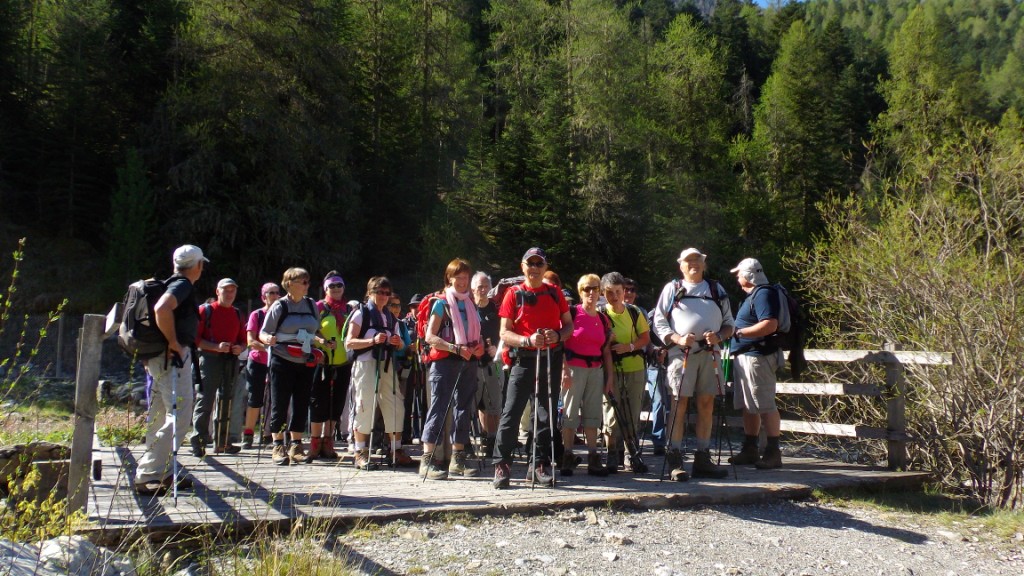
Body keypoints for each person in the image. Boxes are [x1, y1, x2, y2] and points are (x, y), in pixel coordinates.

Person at [494, 247, 573, 489]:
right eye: (531, 263)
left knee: (545, 411)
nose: (535, 268)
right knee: (512, 411)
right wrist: (526, 340)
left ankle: (538, 464)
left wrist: (557, 336)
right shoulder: (513, 294)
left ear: (545, 268)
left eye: (539, 264)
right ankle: (502, 465)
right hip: (523, 358)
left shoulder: (554, 292)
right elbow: (504, 332)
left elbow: (569, 326)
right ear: (523, 267)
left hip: (550, 357)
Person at [653, 248, 734, 481]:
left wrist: (719, 336)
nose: (693, 264)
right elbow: (659, 320)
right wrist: (677, 338)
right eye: (689, 261)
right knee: (679, 403)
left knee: (707, 403)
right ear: (681, 265)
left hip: (710, 352)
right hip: (682, 354)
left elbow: (730, 323)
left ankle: (702, 457)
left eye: (697, 260)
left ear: (704, 264)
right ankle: (675, 459)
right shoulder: (673, 288)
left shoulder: (716, 289)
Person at [133, 244, 206, 495]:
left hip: (160, 359)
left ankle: (162, 470)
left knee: (161, 414)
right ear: (197, 266)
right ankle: (149, 472)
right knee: (181, 416)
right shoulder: (182, 285)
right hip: (172, 359)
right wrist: (174, 342)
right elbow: (162, 309)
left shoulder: (169, 282)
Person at [420, 259, 484, 479]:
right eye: (458, 277)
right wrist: (455, 349)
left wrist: (479, 346)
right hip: (445, 362)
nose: (462, 281)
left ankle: (458, 458)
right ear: (449, 278)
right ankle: (428, 460)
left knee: (464, 408)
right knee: (439, 406)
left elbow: (477, 334)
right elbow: (430, 337)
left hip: (467, 362)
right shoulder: (441, 303)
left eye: (466, 277)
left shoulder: (470, 303)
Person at [261, 267, 328, 465]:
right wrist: (268, 339)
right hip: (282, 359)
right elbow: (263, 333)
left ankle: (296, 445)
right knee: (280, 402)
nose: (307, 285)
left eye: (308, 281)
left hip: (305, 360)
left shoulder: (310, 305)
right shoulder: (279, 306)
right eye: (303, 282)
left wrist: (322, 343)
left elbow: (314, 331)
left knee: (301, 401)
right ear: (289, 283)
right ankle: (278, 445)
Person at [345, 276, 411, 470]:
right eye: (378, 292)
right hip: (366, 364)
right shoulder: (360, 314)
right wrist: (372, 341)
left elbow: (402, 344)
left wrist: (398, 343)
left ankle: (395, 450)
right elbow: (349, 342)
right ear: (369, 293)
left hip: (387, 364)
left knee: (395, 403)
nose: (383, 296)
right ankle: (360, 452)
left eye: (386, 293)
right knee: (364, 404)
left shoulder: (391, 317)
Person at [728, 258, 784, 469]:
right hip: (748, 356)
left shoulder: (763, 294)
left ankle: (773, 452)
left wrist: (740, 332)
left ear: (749, 275)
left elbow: (770, 324)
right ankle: (750, 449)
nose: (736, 277)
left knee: (764, 403)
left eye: (739, 273)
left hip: (758, 357)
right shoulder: (755, 295)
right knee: (749, 405)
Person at [560, 274, 612, 477]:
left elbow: (605, 350)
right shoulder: (572, 314)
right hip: (573, 368)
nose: (591, 293)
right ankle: (567, 455)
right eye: (586, 289)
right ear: (580, 292)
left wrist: (609, 379)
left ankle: (594, 458)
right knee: (570, 414)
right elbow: (560, 345)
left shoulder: (602, 319)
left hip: (595, 369)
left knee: (593, 415)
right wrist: (564, 370)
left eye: (595, 288)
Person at [600, 272, 651, 473]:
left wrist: (628, 346)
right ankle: (612, 453)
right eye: (610, 292)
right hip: (610, 368)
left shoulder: (634, 312)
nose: (614, 296)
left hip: (634, 367)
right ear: (603, 293)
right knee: (611, 411)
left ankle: (632, 454)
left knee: (632, 411)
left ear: (624, 291)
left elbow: (645, 338)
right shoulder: (601, 314)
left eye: (618, 292)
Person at [190, 278, 246, 456]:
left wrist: (240, 348)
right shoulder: (205, 310)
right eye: (225, 290)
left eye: (232, 291)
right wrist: (215, 347)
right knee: (205, 400)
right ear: (217, 292)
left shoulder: (237, 313)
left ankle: (222, 442)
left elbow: (243, 340)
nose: (229, 294)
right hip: (209, 359)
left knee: (226, 400)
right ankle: (198, 442)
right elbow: (194, 339)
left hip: (230, 361)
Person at [311, 272, 354, 460]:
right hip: (322, 361)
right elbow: (307, 331)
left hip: (343, 362)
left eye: (339, 285)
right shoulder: (319, 307)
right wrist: (322, 340)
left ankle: (328, 441)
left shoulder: (349, 309)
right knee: (318, 401)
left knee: (337, 403)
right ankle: (314, 442)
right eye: (332, 286)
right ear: (325, 288)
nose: (336, 289)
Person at [241, 282, 280, 449]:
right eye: (270, 293)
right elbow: (250, 340)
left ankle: (268, 434)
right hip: (258, 361)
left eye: (277, 292)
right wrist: (267, 348)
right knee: (255, 398)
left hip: (276, 362)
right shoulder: (257, 315)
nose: (274, 296)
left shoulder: (281, 314)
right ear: (263, 296)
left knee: (274, 399)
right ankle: (248, 434)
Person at [472, 272, 501, 459]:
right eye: (480, 287)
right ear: (472, 289)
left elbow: (504, 333)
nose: (483, 290)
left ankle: (492, 439)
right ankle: (475, 438)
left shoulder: (496, 310)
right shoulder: (467, 309)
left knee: (494, 404)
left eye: (486, 287)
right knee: (474, 404)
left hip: (493, 362)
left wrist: (497, 349)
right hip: (472, 363)